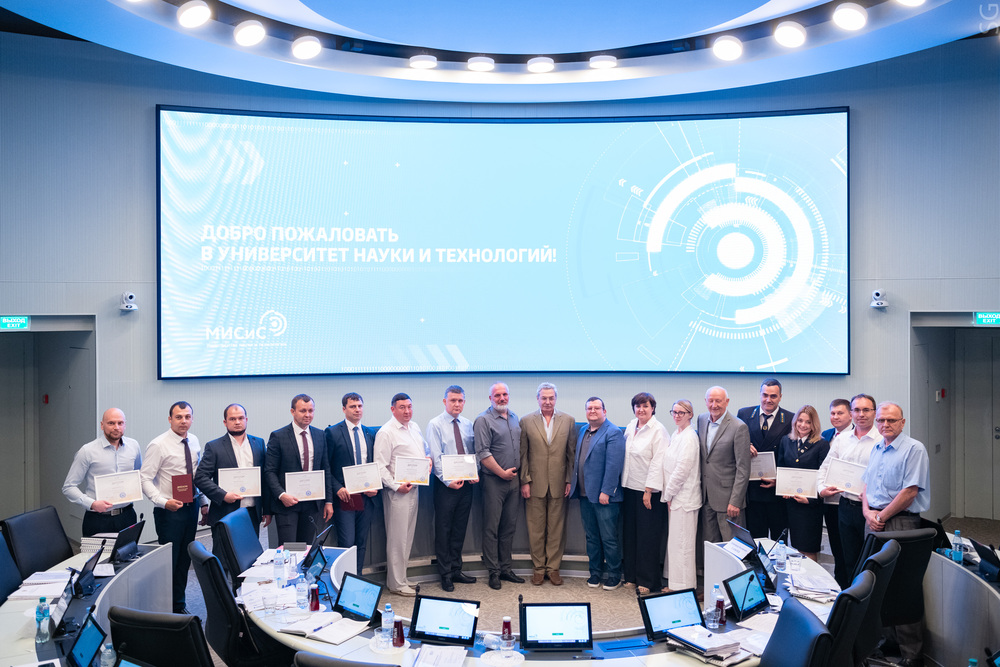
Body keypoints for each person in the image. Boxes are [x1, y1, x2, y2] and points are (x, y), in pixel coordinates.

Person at [861, 402, 930, 667]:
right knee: (878, 584)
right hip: (874, 521)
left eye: (891, 420)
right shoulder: (877, 447)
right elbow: (866, 485)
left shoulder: (914, 449)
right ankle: (887, 643)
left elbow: (909, 492)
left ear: (902, 422)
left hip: (900, 523)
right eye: (881, 420)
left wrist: (881, 517)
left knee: (903, 587)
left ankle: (912, 654)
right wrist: (868, 512)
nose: (885, 425)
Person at [139, 401, 207, 613]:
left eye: (187, 417)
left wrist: (203, 502)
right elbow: (144, 478)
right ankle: (164, 608)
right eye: (178, 417)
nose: (183, 421)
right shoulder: (158, 445)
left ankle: (178, 604)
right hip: (169, 512)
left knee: (184, 560)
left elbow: (197, 476)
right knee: (169, 561)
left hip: (191, 507)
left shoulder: (194, 441)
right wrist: (162, 501)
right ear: (170, 419)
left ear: (192, 419)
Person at [817, 393, 881, 583]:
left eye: (866, 410)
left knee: (870, 560)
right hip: (845, 506)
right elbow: (825, 468)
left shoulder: (882, 440)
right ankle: (846, 598)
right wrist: (821, 489)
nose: (861, 414)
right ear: (852, 413)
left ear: (874, 413)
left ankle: (868, 598)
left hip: (871, 509)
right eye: (857, 410)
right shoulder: (842, 439)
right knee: (846, 559)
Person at [518, 382, 576, 586]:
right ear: (538, 399)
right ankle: (538, 569)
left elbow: (571, 454)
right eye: (544, 398)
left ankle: (553, 569)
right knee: (535, 529)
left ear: (556, 399)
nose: (548, 401)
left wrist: (569, 479)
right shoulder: (526, 421)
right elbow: (523, 454)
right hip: (534, 484)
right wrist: (525, 480)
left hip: (559, 483)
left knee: (556, 529)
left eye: (551, 398)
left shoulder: (568, 420)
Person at [375, 392, 430, 596]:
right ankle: (396, 583)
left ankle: (402, 578)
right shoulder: (386, 432)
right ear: (393, 409)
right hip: (398, 492)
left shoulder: (414, 427)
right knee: (397, 539)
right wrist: (396, 486)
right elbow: (380, 466)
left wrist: (428, 459)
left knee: (407, 536)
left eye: (409, 407)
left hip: (414, 488)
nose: (407, 411)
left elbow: (424, 452)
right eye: (402, 407)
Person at [569, 397, 625, 590]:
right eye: (589, 408)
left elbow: (614, 465)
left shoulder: (613, 432)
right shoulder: (583, 431)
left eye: (597, 408)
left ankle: (614, 575)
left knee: (609, 538)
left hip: (604, 497)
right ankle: (595, 573)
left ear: (604, 411)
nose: (592, 411)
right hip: (585, 495)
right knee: (592, 537)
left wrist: (606, 491)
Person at [426, 385, 478, 591]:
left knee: (459, 529)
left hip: (466, 485)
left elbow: (472, 453)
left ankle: (456, 569)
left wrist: (474, 472)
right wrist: (447, 481)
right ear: (444, 402)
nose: (457, 404)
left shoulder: (468, 424)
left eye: (460, 400)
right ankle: (445, 574)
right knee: (444, 529)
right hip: (445, 486)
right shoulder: (435, 424)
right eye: (453, 400)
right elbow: (435, 455)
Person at [264, 394, 334, 546]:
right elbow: (269, 471)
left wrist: (329, 501)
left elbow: (326, 469)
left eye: (311, 410)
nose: (307, 415)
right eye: (303, 411)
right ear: (292, 411)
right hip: (287, 503)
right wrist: (281, 495)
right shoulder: (278, 436)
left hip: (312, 503)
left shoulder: (320, 435)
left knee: (305, 546)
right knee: (289, 548)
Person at [474, 382, 524, 590]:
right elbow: (483, 453)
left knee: (509, 528)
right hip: (494, 481)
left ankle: (506, 568)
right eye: (497, 395)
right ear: (490, 398)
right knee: (491, 528)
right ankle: (493, 572)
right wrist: (501, 473)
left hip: (514, 481)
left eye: (505, 394)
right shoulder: (483, 420)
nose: (502, 398)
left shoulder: (514, 417)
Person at [62, 408, 142, 537]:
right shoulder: (87, 451)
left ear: (125, 424)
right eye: (111, 423)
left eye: (120, 423)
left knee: (128, 550)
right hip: (98, 519)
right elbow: (68, 487)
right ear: (102, 425)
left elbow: (137, 474)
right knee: (98, 552)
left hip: (127, 516)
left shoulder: (134, 446)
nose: (116, 427)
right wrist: (92, 504)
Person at [195, 403, 271, 533]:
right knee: (225, 547)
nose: (237, 422)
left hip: (252, 512)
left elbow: (265, 477)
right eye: (232, 419)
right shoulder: (214, 447)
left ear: (246, 420)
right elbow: (200, 478)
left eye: (241, 418)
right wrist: (223, 495)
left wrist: (267, 509)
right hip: (224, 513)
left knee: (251, 546)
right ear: (225, 422)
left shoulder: (258, 443)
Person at [325, 392, 379, 573]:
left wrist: (375, 486)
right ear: (344, 409)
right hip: (346, 497)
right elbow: (326, 466)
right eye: (353, 406)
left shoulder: (370, 433)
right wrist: (337, 488)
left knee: (361, 542)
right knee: (347, 542)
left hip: (366, 497)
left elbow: (374, 464)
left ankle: (357, 578)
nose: (357, 410)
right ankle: (342, 580)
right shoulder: (332, 433)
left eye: (360, 406)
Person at [621, 392, 668, 594]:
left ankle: (648, 581)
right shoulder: (631, 426)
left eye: (645, 406)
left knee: (647, 537)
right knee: (630, 535)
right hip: (629, 488)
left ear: (653, 408)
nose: (641, 410)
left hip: (648, 492)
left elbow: (658, 462)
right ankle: (631, 576)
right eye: (638, 406)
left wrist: (649, 490)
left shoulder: (659, 430)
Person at [738, 378, 793, 540]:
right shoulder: (744, 414)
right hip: (752, 490)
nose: (768, 400)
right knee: (755, 539)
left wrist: (780, 480)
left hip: (777, 492)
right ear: (760, 394)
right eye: (765, 395)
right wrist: (744, 445)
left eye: (773, 396)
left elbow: (792, 456)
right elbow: (734, 441)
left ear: (780, 397)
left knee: (779, 541)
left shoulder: (790, 418)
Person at [776, 405, 829, 561]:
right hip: (789, 504)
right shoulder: (786, 440)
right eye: (800, 420)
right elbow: (781, 467)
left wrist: (810, 499)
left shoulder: (821, 444)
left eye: (808, 422)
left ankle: (811, 577)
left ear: (814, 424)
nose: (803, 425)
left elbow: (824, 477)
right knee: (790, 546)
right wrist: (783, 489)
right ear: (795, 422)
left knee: (807, 548)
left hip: (809, 507)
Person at [698, 386, 751, 544]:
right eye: (711, 401)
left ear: (727, 402)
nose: (714, 405)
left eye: (718, 401)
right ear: (705, 401)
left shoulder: (739, 427)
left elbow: (743, 469)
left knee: (732, 546)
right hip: (706, 497)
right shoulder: (701, 420)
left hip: (728, 501)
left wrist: (735, 501)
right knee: (710, 545)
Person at [660, 400, 701, 592]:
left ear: (690, 414)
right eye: (674, 412)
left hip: (684, 498)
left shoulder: (690, 437)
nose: (677, 416)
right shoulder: (676, 434)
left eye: (681, 413)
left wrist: (668, 494)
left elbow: (682, 470)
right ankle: (675, 584)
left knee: (684, 546)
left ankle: (684, 588)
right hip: (675, 497)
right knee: (676, 544)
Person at [820, 398, 853, 585]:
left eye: (840, 413)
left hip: (849, 501)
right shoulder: (826, 435)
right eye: (832, 413)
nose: (835, 417)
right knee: (835, 545)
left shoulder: (856, 436)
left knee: (849, 547)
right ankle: (839, 584)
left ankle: (850, 585)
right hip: (829, 500)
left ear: (850, 415)